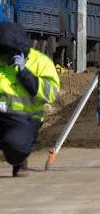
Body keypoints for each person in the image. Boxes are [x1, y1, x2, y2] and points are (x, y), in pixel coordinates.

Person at [0, 22, 60, 177]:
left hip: (24, 118)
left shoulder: (40, 62)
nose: (3, 59)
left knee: (15, 147)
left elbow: (51, 94)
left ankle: (20, 160)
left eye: (6, 55)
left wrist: (25, 74)